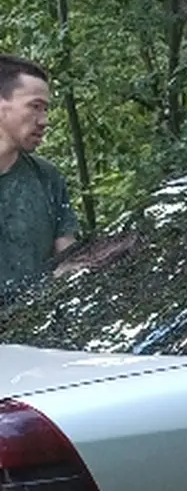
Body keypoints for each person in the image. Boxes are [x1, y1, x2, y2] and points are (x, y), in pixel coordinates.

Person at [0, 57, 80, 305]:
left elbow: (68, 261)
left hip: (31, 337)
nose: (44, 120)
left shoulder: (47, 178)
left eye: (45, 109)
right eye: (35, 107)